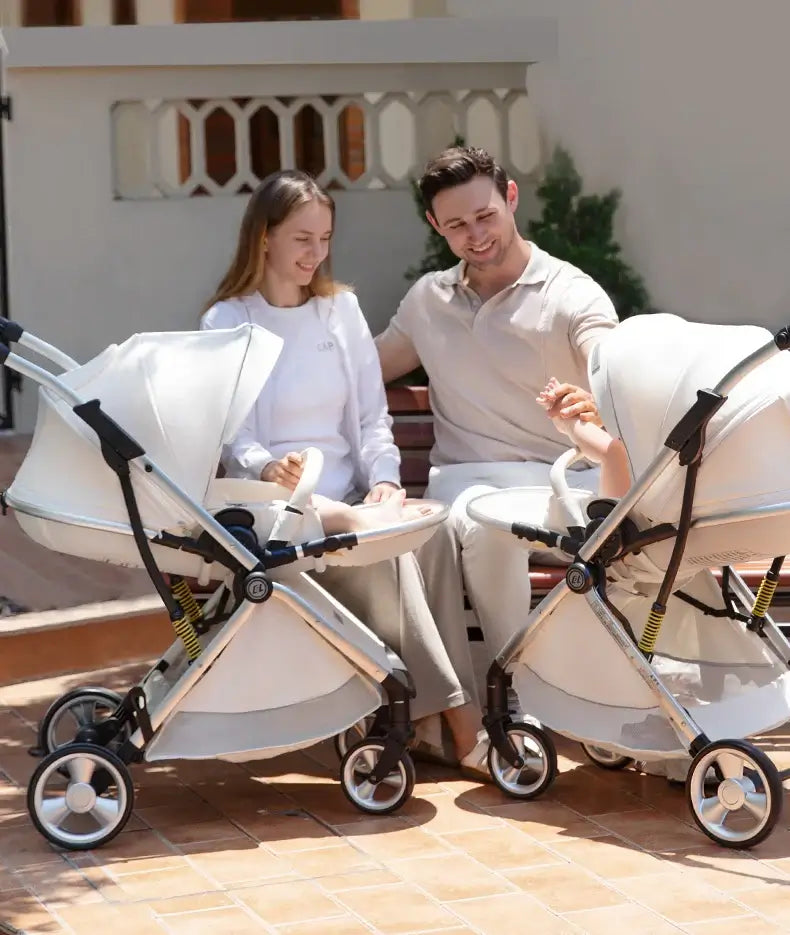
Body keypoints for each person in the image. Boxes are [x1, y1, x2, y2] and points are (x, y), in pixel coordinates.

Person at [200, 169, 487, 774]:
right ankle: (463, 724)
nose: (316, 253)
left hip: (351, 502)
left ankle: (435, 720)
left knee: (425, 539)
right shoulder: (228, 322)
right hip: (274, 509)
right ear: (265, 239)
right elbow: (234, 435)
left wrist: (386, 478)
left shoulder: (340, 311)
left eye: (325, 237)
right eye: (302, 238)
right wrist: (268, 464)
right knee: (377, 541)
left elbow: (371, 417)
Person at [375, 146, 618, 713]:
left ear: (511, 199)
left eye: (485, 216)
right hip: (469, 484)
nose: (475, 235)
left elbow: (613, 367)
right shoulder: (427, 300)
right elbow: (362, 369)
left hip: (565, 484)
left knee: (512, 526)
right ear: (436, 226)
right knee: (489, 526)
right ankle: (518, 693)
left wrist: (596, 399)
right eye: (457, 225)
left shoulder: (571, 293)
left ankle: (572, 688)